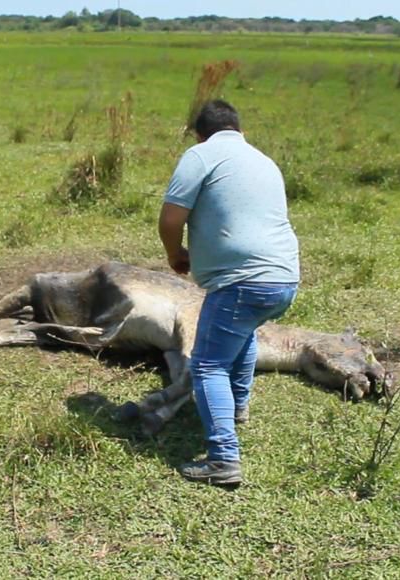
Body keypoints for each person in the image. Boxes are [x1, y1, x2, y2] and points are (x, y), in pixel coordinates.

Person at [159, 100, 300, 486]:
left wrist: (175, 254)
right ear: (241, 131)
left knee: (207, 364)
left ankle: (223, 459)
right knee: (241, 335)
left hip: (242, 281)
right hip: (284, 279)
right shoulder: (263, 160)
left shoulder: (201, 155)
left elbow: (171, 217)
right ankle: (236, 408)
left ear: (199, 133)